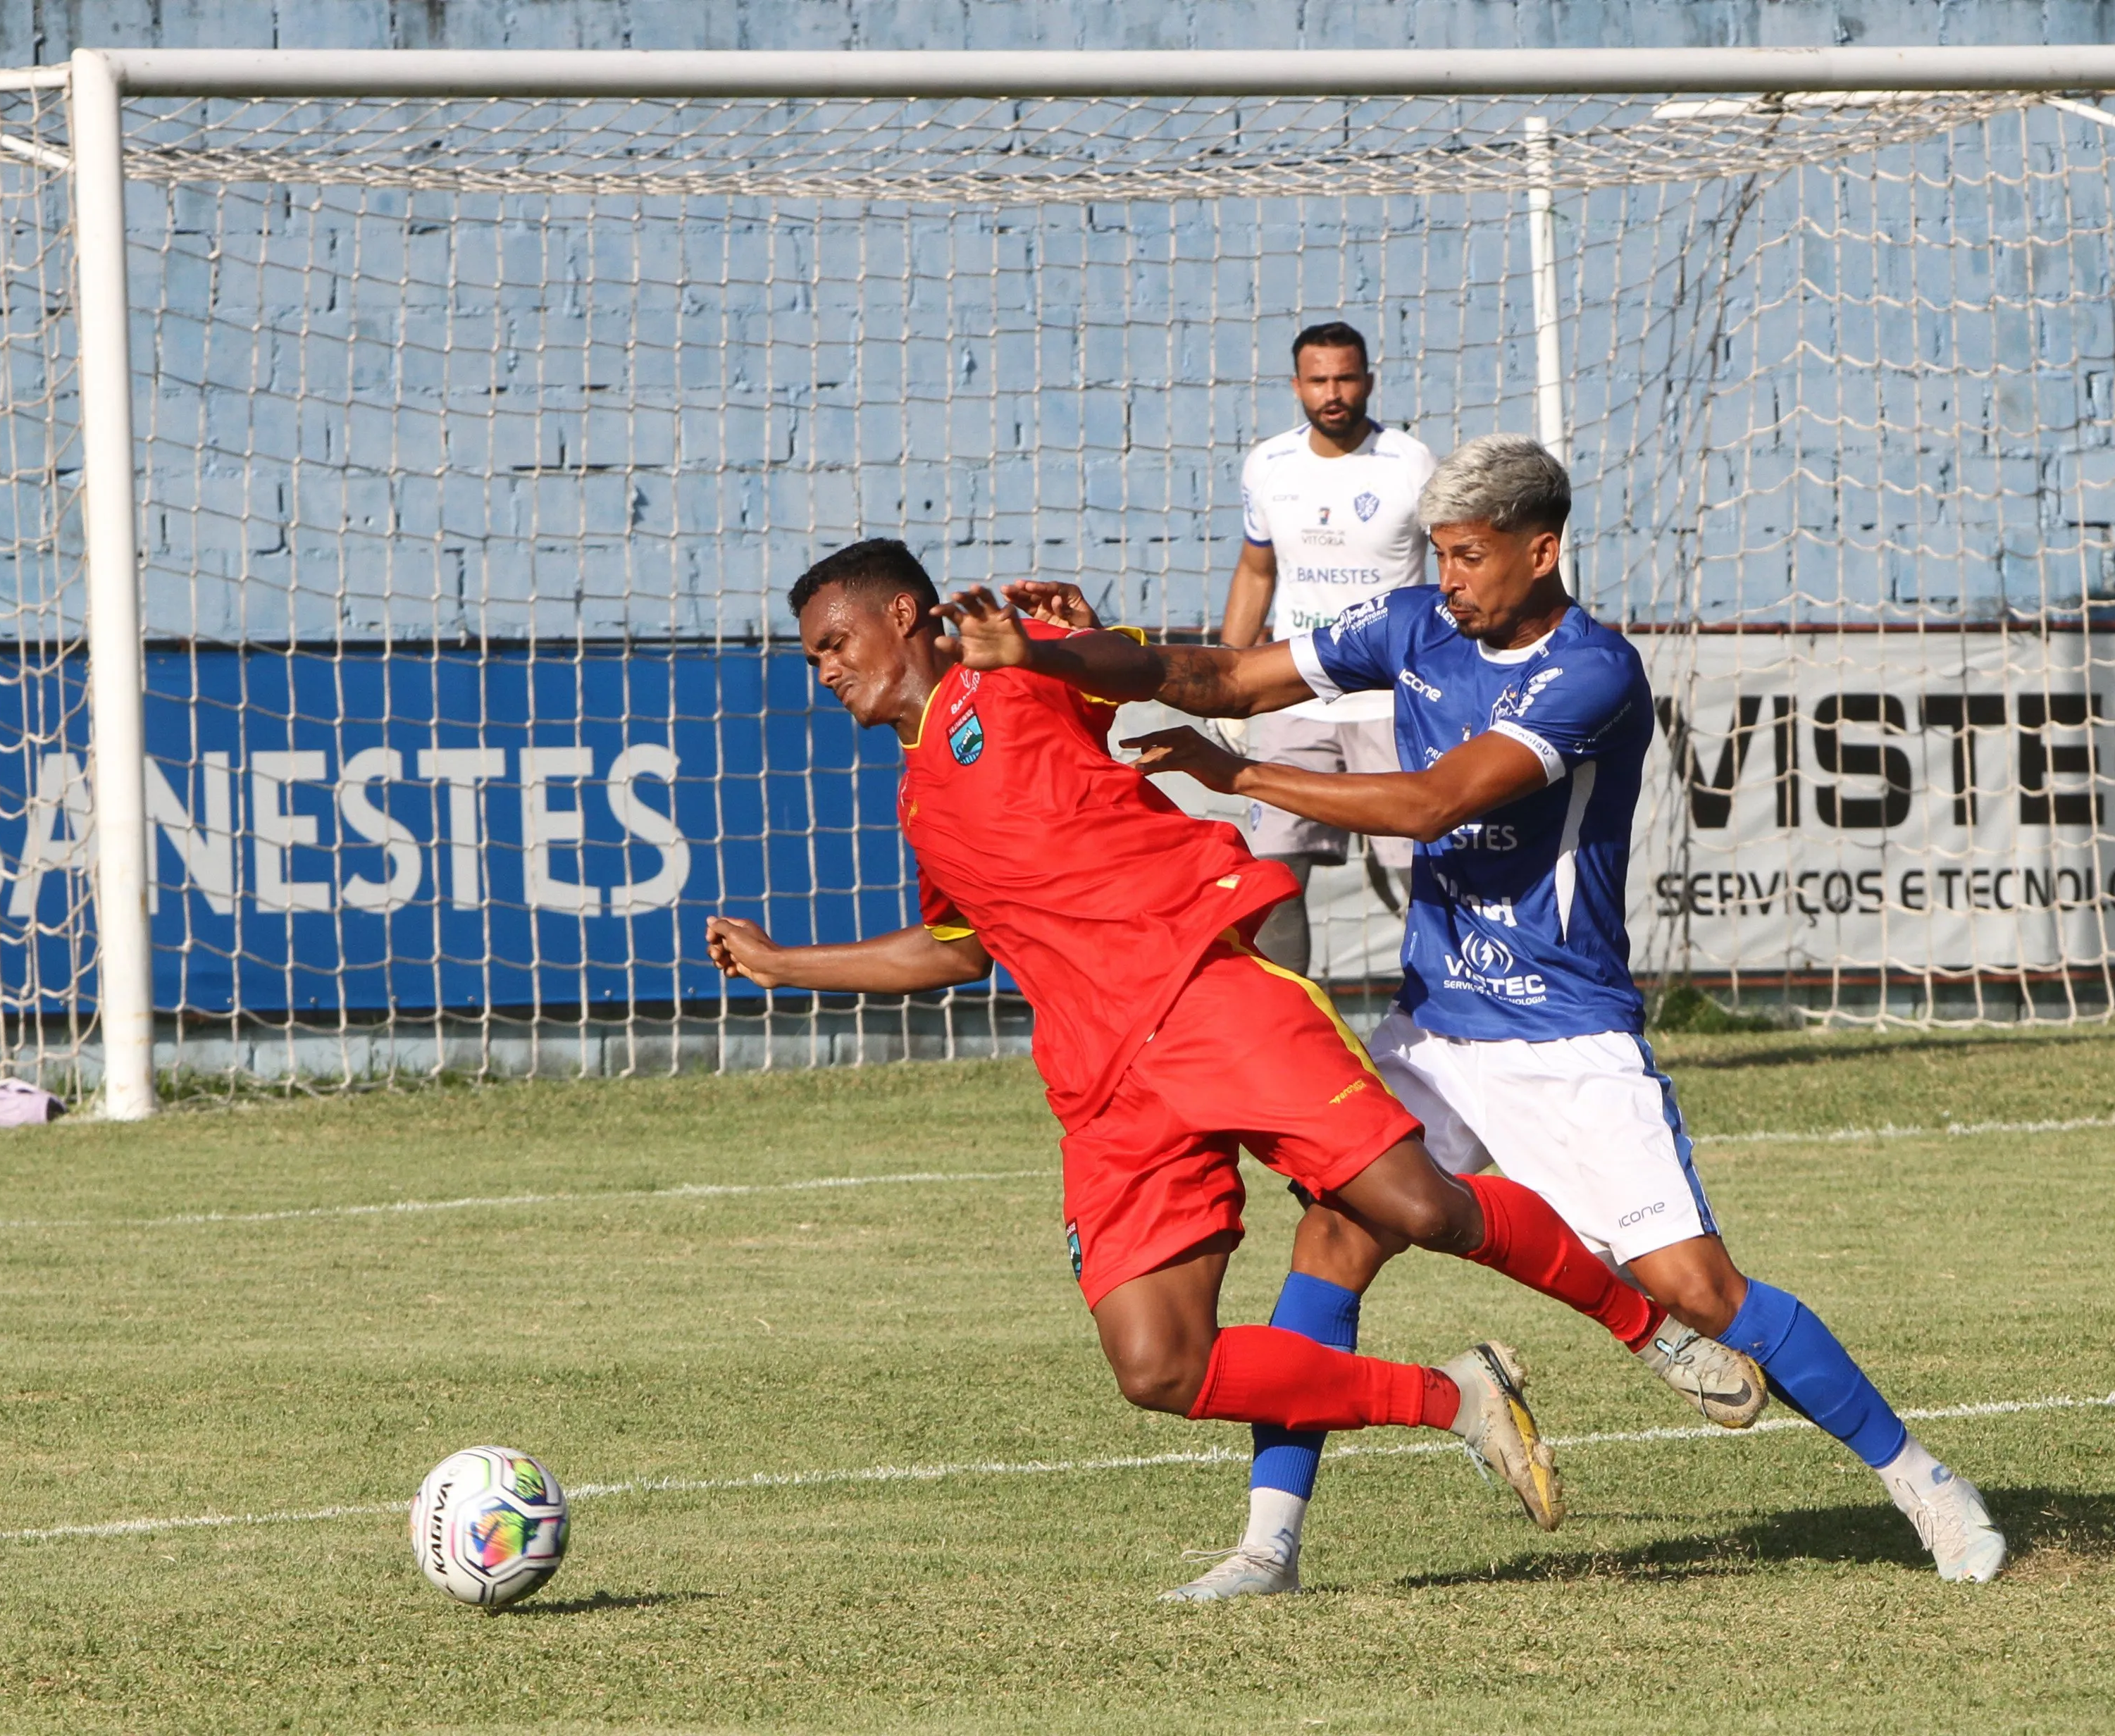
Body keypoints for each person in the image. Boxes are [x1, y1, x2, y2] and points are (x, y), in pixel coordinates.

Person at [937, 435, 2011, 1593]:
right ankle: (1267, 1544)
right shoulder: (1413, 625)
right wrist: (1052, 652)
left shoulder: (1590, 673)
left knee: (1699, 1290)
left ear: (1538, 548)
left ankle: (1922, 1481)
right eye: (1438, 555)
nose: (1446, 579)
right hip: (1436, 1028)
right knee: (1334, 1237)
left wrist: (1238, 776)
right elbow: (1227, 677)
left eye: (1466, 556)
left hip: (1567, 1037)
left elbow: (1429, 801)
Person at [705, 537, 1763, 1596]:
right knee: (1158, 1366)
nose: (827, 667)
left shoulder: (1011, 678)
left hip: (1208, 998)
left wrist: (1057, 638)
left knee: (1422, 1208)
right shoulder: (920, 799)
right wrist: (784, 963)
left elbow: (1131, 674)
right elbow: (958, 947)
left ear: (903, 616)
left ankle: (1648, 1329)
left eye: (834, 642)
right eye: (811, 658)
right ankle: (1455, 1398)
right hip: (1105, 1081)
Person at [1222, 321, 1438, 975]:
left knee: (1424, 879)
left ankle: (1462, 1023)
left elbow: (1460, 566)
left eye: (1345, 377)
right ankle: (1290, 1040)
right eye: (1318, 380)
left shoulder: (1411, 463)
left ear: (1368, 380)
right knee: (1273, 880)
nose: (1333, 393)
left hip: (1392, 702)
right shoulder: (1268, 466)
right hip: (1296, 696)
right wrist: (1228, 687)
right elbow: (1257, 572)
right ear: (1297, 386)